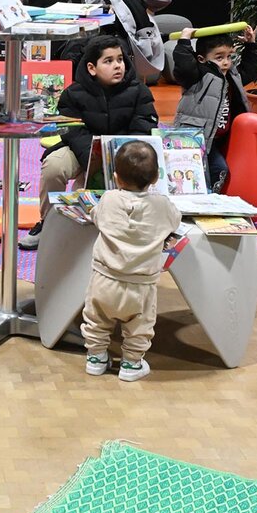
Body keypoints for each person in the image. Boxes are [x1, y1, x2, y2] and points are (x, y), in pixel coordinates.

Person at [19, 35, 158, 251]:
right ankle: (47, 223)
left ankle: (125, 224)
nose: (117, 66)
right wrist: (92, 161)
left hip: (123, 153)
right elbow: (72, 131)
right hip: (82, 150)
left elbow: (143, 128)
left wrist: (118, 159)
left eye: (120, 59)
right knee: (54, 165)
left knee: (136, 169)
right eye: (108, 61)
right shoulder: (72, 94)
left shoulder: (140, 91)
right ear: (92, 68)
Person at [81, 140, 181, 382]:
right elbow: (175, 220)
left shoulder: (109, 199)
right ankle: (131, 363)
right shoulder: (161, 205)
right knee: (140, 327)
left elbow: (96, 216)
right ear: (156, 177)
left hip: (104, 279)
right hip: (140, 285)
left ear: (116, 177)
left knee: (96, 320)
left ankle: (95, 358)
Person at [171, 26, 257, 189]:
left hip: (218, 139)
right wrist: (184, 42)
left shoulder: (232, 75)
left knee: (221, 169)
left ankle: (210, 195)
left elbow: (249, 71)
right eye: (219, 57)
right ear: (201, 59)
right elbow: (184, 69)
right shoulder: (199, 75)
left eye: (229, 56)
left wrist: (250, 45)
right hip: (196, 137)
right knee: (211, 169)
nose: (226, 62)